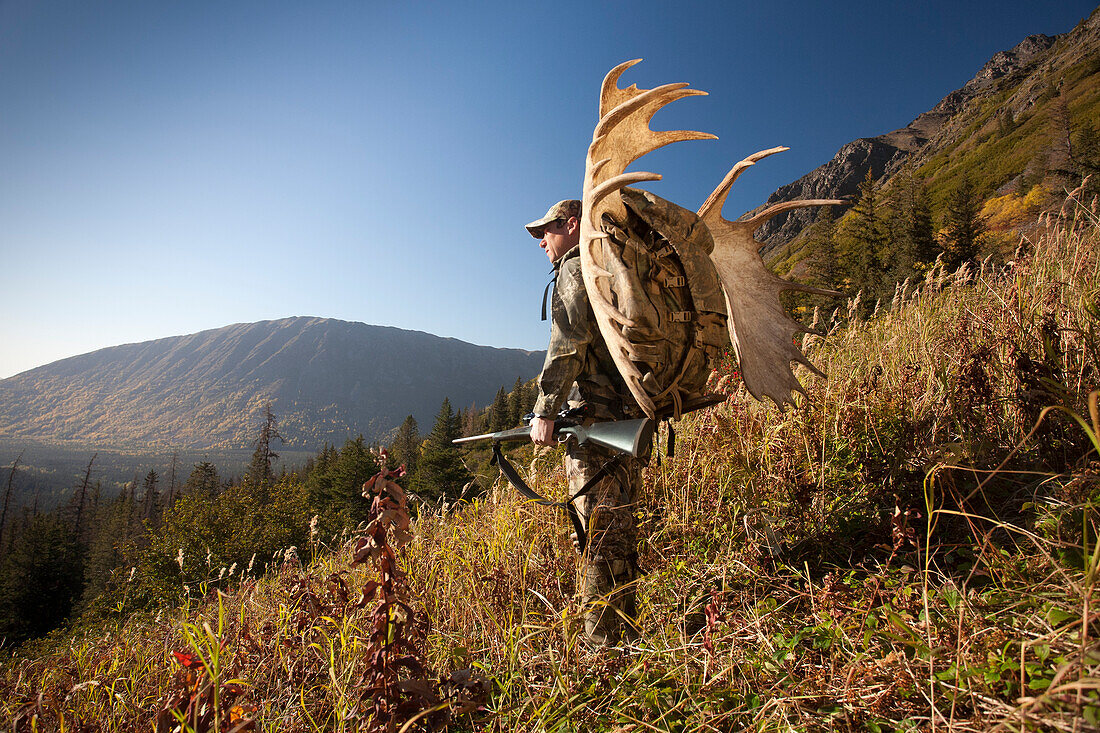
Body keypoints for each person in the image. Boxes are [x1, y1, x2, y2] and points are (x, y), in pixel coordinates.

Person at [524, 199, 648, 646]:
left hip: (596, 424)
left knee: (598, 537)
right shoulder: (613, 271)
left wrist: (544, 411)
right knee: (620, 532)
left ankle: (602, 653)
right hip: (627, 417)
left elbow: (568, 345)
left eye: (548, 230)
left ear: (572, 225)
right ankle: (628, 639)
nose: (542, 241)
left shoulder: (577, 270)